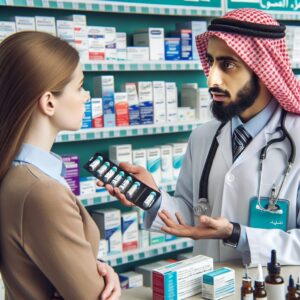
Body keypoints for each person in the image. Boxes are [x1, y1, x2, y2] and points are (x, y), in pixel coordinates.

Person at [99, 8, 300, 267]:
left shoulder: (295, 138)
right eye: (211, 62)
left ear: (263, 69)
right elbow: (194, 215)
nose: (211, 78)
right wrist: (152, 197)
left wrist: (237, 234)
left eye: (227, 65)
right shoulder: (204, 136)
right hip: (209, 288)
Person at [0, 31, 121, 299]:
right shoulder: (42, 191)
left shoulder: (17, 171)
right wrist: (99, 284)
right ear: (49, 102)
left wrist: (94, 269)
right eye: (79, 87)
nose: (87, 96)